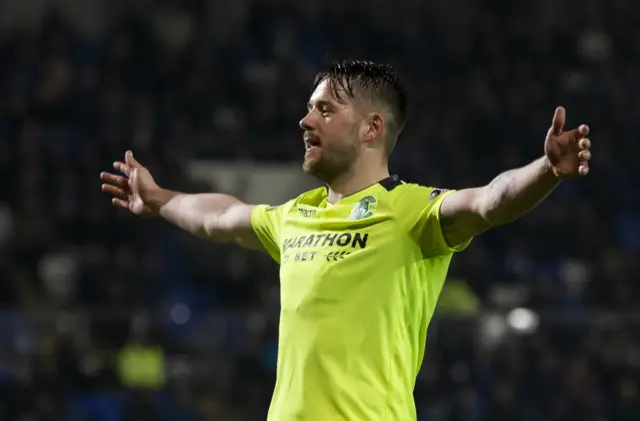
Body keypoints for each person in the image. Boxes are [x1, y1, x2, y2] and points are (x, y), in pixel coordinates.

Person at [100, 60, 592, 421]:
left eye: (324, 110)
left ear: (371, 127)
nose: (305, 121)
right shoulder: (298, 214)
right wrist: (160, 197)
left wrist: (546, 170)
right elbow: (221, 216)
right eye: (308, 110)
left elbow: (489, 201)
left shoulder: (412, 211)